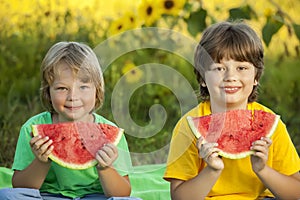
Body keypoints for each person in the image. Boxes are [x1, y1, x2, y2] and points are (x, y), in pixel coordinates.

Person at [164, 21, 300, 199]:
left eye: (242, 68)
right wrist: (212, 170)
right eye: (219, 68)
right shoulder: (189, 127)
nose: (231, 77)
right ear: (203, 78)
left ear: (256, 77)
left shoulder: (272, 125)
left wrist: (262, 169)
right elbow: (179, 197)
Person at [0, 41, 141, 200]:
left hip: (95, 197)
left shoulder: (110, 131)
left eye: (83, 87)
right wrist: (41, 162)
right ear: (48, 91)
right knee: (5, 195)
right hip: (48, 196)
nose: (73, 97)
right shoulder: (32, 129)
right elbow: (20, 185)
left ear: (97, 90)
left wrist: (105, 168)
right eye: (62, 88)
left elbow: (123, 192)